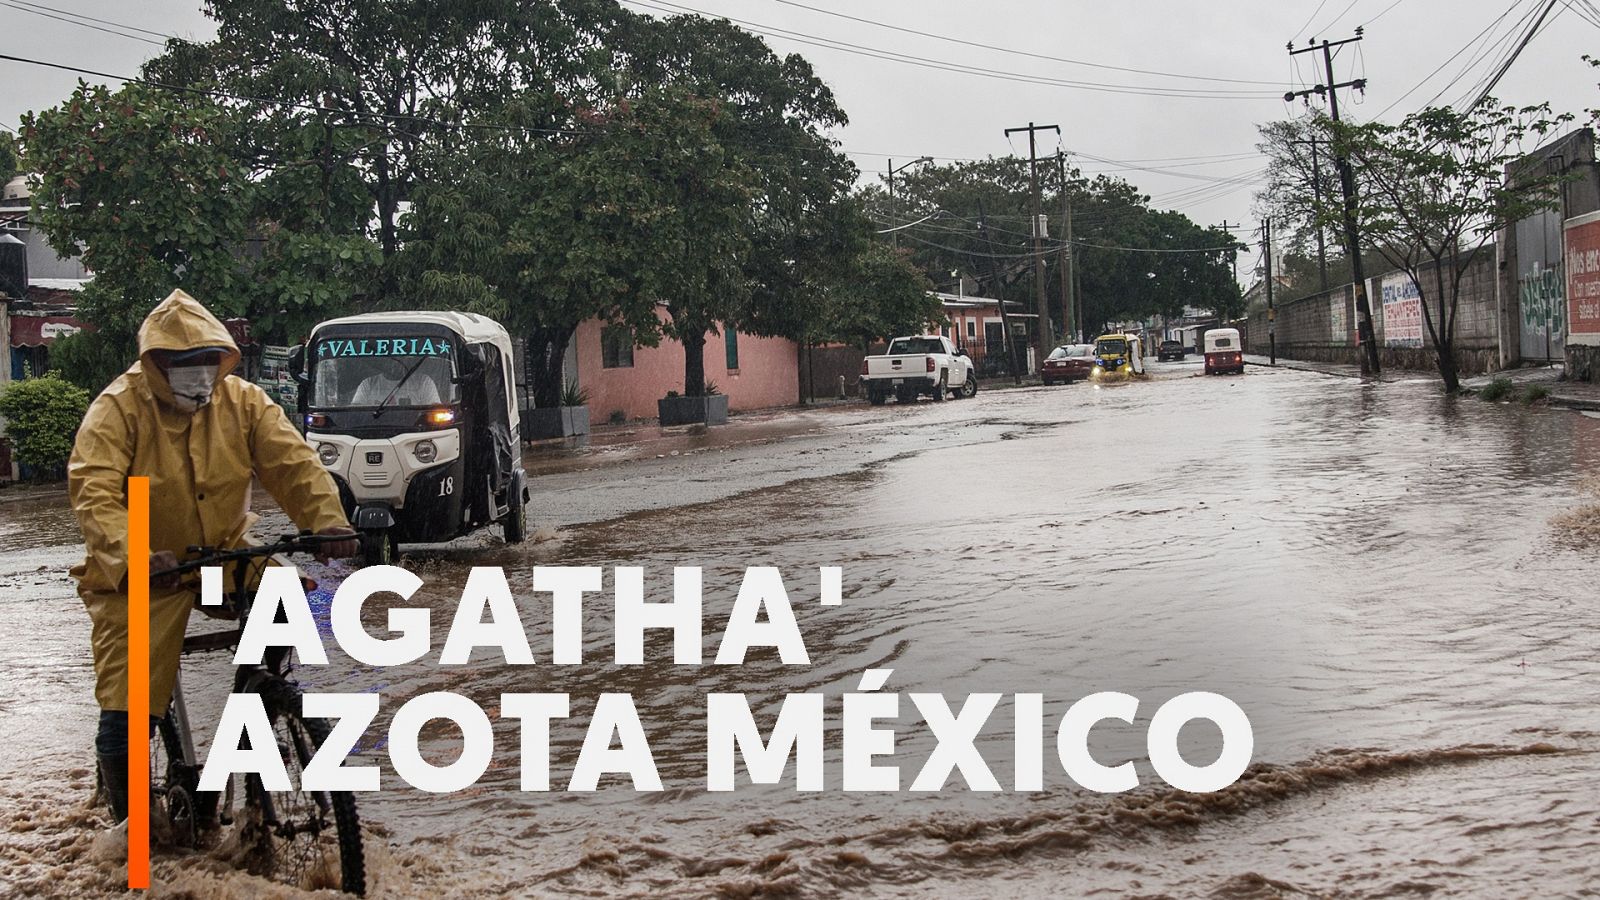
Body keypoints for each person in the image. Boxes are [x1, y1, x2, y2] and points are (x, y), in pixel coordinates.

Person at [68, 288, 359, 823]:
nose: (198, 374)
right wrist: (133, 553)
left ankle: (256, 705)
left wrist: (327, 523)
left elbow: (293, 463)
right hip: (143, 574)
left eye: (207, 361)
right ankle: (130, 824)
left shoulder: (244, 402)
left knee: (287, 600)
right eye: (184, 364)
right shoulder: (118, 408)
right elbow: (94, 488)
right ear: (156, 365)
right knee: (127, 706)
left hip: (225, 557)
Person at [349, 356, 441, 406]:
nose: (394, 363)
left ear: (406, 360)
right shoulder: (368, 384)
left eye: (398, 359)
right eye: (390, 359)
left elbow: (435, 410)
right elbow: (354, 411)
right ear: (382, 362)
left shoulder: (424, 382)